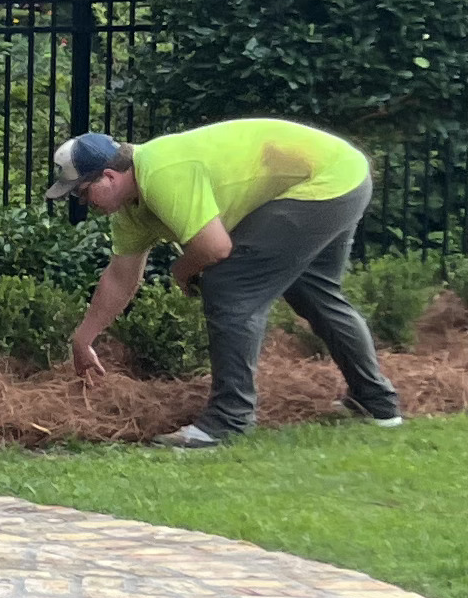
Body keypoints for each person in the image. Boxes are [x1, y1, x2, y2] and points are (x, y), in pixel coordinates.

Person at [55, 120, 405, 447]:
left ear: (110, 176)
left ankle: (228, 419)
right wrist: (84, 337)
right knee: (312, 290)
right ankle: (375, 402)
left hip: (326, 180)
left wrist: (181, 270)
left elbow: (215, 247)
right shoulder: (131, 211)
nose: (83, 203)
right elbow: (120, 276)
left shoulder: (161, 171)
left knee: (229, 285)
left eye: (83, 193)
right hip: (342, 175)